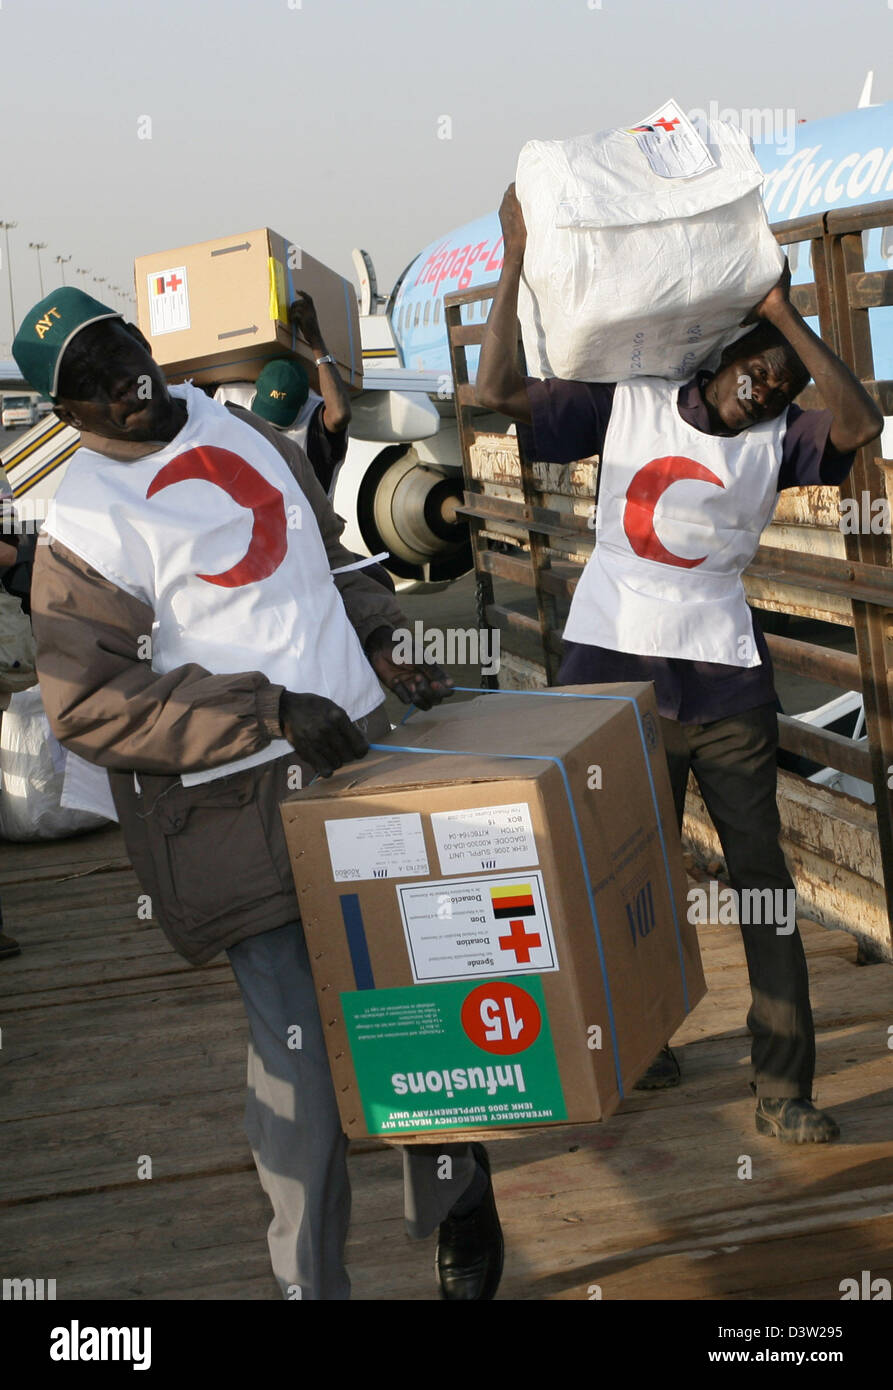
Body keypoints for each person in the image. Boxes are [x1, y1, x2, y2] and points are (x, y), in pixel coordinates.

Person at [17, 285, 503, 1300]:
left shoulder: (238, 430)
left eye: (127, 350)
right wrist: (267, 709)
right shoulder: (83, 530)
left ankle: (456, 1204)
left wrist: (380, 635)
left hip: (363, 763)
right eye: (95, 384)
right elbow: (91, 707)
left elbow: (325, 563)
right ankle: (310, 1284)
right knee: (303, 1079)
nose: (127, 381)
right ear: (67, 417)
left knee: (418, 1008)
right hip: (238, 817)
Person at [476, 185, 884, 1144]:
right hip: (614, 686)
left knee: (761, 886)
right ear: (717, 352)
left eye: (783, 386)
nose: (769, 389)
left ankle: (783, 1089)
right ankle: (641, 1038)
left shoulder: (782, 442)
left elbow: (859, 424)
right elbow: (496, 396)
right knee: (624, 875)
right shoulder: (625, 401)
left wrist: (787, 313)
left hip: (726, 689)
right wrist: (515, 259)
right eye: (758, 369)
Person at [215, 292, 351, 499]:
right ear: (256, 387)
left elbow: (340, 414)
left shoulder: (316, 424)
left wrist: (315, 340)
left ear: (303, 404)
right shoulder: (227, 396)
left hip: (304, 526)